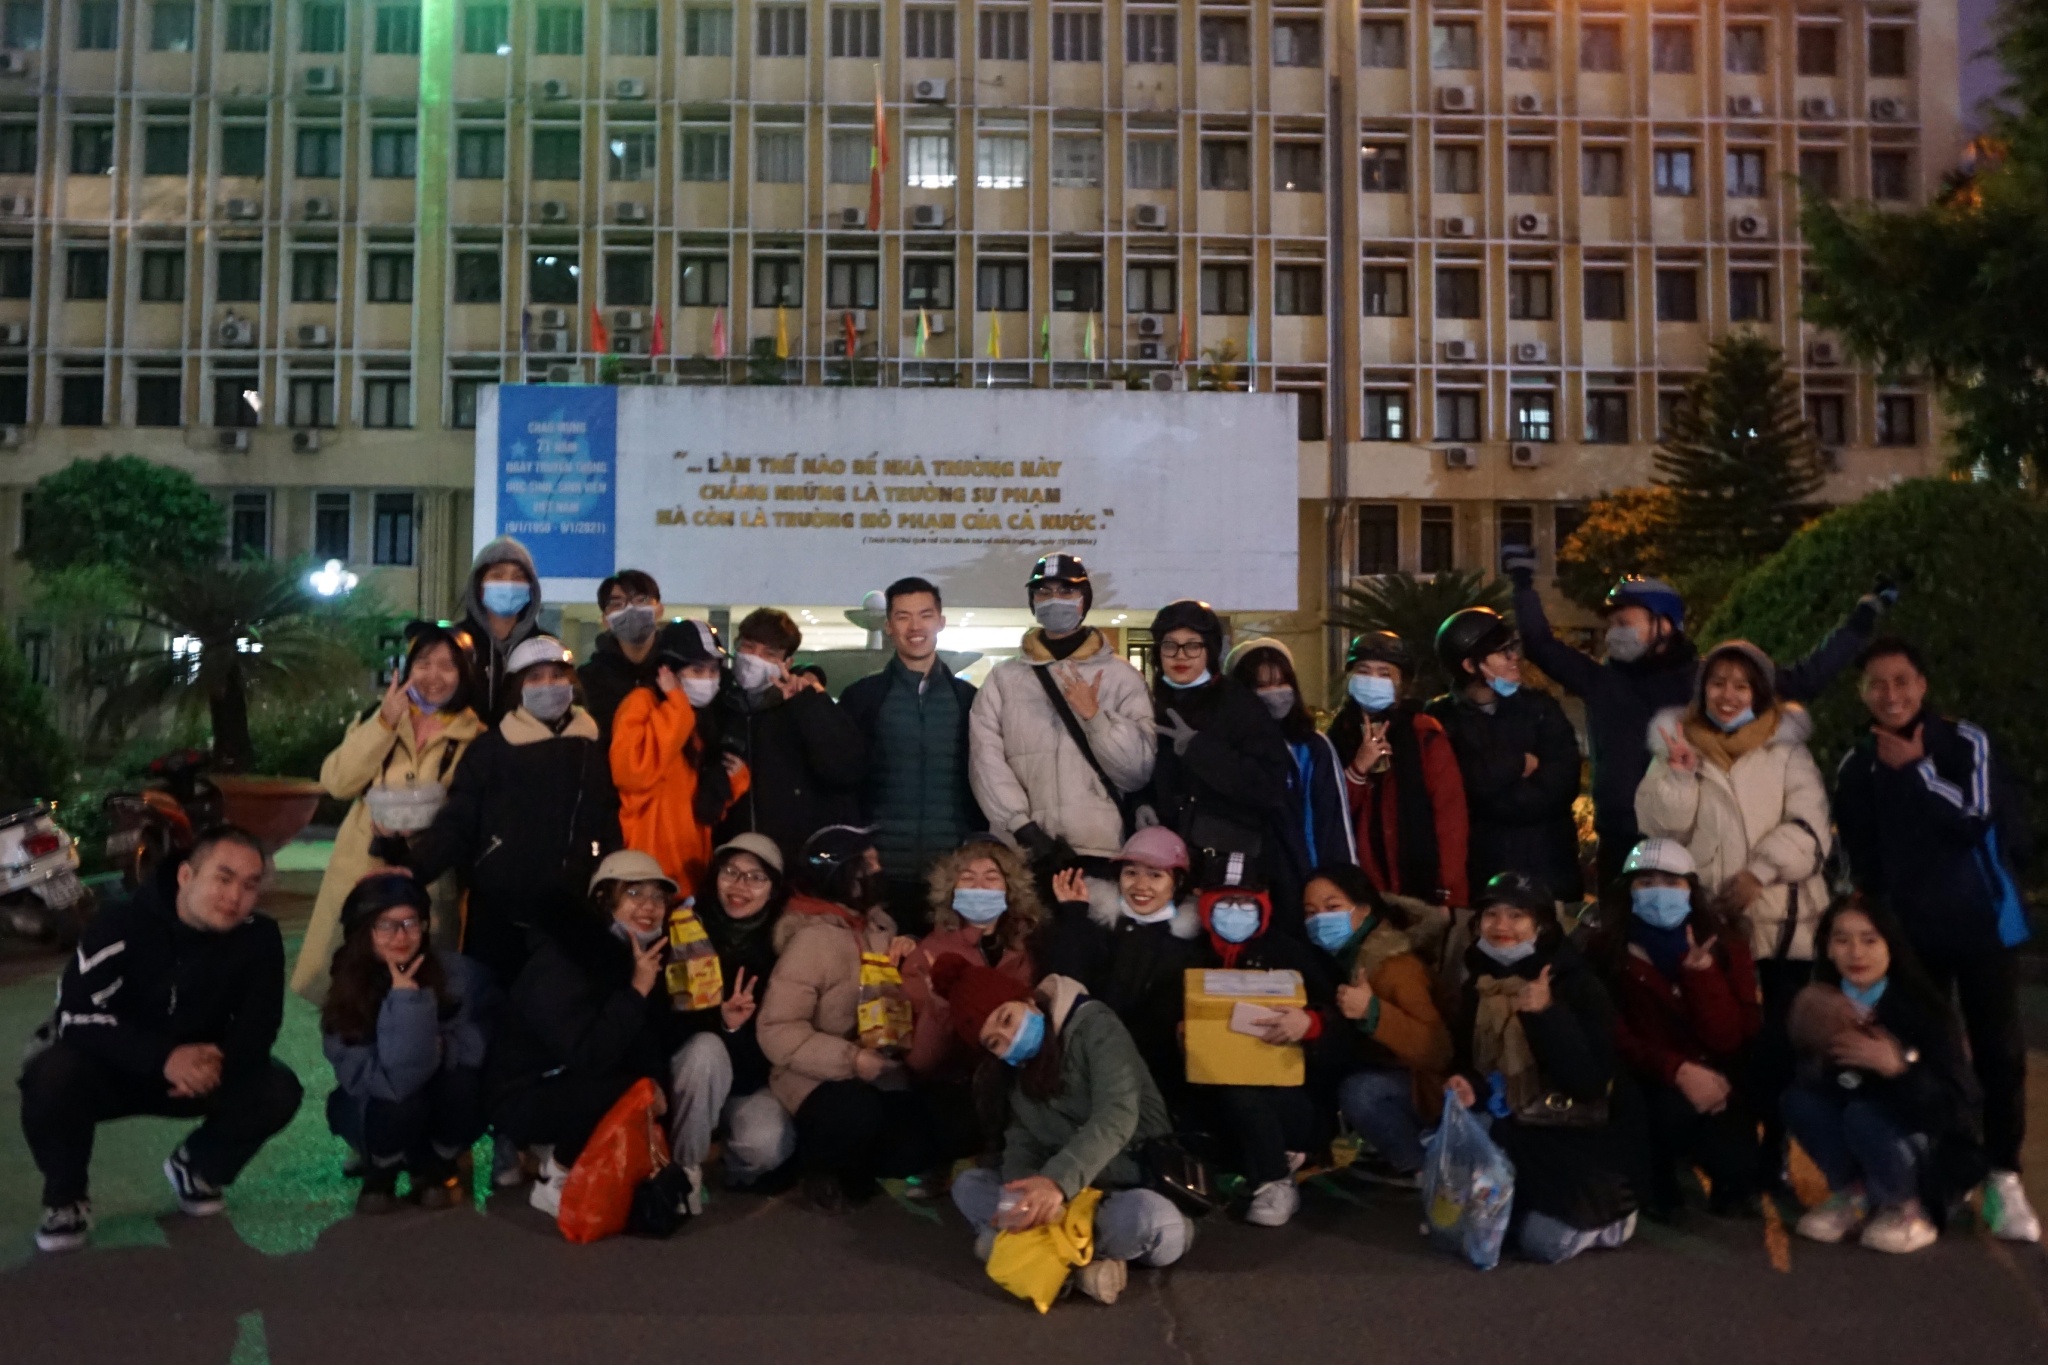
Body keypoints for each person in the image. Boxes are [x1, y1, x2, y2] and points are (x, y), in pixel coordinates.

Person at [1833, 637, 2038, 1241]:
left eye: (1902, 681)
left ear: (1922, 685)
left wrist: (1918, 771)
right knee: (1928, 1055)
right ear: (1862, 692)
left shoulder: (1963, 741)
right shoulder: (1856, 764)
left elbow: (1975, 815)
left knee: (1999, 1053)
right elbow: (1859, 856)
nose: (1890, 694)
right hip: (1908, 938)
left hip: (1982, 923)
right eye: (1877, 683)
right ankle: (1939, 1170)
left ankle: (2002, 1175)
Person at [1507, 563, 1886, 886]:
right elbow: (1541, 646)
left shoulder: (1707, 682)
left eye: (1625, 622)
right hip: (1619, 842)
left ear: (1665, 626)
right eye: (1612, 624)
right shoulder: (1601, 681)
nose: (1613, 633)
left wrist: (1860, 622)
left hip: (1692, 844)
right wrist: (1523, 585)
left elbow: (1803, 680)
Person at [20, 828, 303, 1253]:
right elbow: (76, 1016)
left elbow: (259, 1026)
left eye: (249, 885)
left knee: (277, 1088)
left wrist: (210, 1066)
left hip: (199, 1072)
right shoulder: (120, 924)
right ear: (187, 876)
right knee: (50, 1074)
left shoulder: (258, 937)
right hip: (112, 1067)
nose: (235, 897)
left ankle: (199, 1166)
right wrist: (164, 1057)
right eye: (223, 879)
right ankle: (66, 1198)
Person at [1636, 639, 1830, 1188]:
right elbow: (1659, 829)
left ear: (1760, 692)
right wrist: (1675, 775)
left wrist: (1759, 872)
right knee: (1718, 1040)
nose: (1728, 694)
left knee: (1779, 1051)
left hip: (1782, 928)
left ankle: (1777, 1153)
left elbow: (1811, 828)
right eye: (1718, 682)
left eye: (1741, 684)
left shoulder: (1788, 752)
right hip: (1710, 929)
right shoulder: (1678, 745)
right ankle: (1725, 1153)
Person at [936, 958, 1191, 1304]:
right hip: (1058, 1200)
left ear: (1028, 1002)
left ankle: (1030, 1258)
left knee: (1161, 1225)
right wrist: (1023, 1196)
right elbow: (1021, 1139)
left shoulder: (1095, 1026)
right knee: (969, 1187)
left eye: (1006, 1019)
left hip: (1123, 1182)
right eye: (994, 1042)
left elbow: (1117, 1115)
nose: (1008, 1039)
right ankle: (1081, 1271)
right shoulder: (1016, 1071)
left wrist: (1055, 1183)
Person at [385, 635, 621, 986]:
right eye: (535, 677)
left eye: (557, 676)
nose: (548, 685)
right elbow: (460, 822)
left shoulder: (593, 746)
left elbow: (607, 821)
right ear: (517, 688)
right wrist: (414, 869)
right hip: (499, 916)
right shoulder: (491, 749)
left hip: (573, 915)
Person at [1445, 872, 1638, 1264]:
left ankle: (1616, 1219)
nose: (1501, 927)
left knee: (1542, 1243)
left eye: (1517, 916)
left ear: (1543, 925)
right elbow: (1470, 1062)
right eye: (1491, 915)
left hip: (1569, 1137)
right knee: (1467, 1230)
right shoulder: (1480, 984)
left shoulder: (1578, 983)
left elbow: (1589, 1083)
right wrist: (1470, 1086)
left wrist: (1547, 1015)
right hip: (1511, 1127)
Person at [756, 825, 949, 1212]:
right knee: (854, 1112)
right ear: (844, 874)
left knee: (919, 1137)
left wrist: (909, 960)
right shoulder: (811, 940)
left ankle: (857, 1164)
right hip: (815, 1076)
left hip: (878, 1068)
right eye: (870, 863)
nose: (880, 870)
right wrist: (850, 1059)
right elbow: (777, 1031)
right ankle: (818, 1169)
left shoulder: (881, 930)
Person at [293, 622, 486, 1005]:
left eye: (448, 666)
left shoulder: (476, 736)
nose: (434, 676)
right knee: (352, 991)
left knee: (418, 990)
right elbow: (337, 782)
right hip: (361, 866)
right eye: (424, 662)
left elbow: (468, 813)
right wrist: (384, 723)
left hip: (425, 876)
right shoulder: (379, 716)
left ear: (464, 675)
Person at [1784, 897, 1984, 1254]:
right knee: (1801, 1102)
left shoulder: (1925, 1009)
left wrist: (1899, 1069)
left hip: (1927, 1150)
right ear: (1827, 948)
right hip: (1862, 1133)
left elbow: (1959, 1108)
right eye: (1842, 940)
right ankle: (1854, 1194)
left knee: (1866, 1113)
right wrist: (1814, 1052)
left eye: (1870, 939)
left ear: (1892, 945)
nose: (1856, 952)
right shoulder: (1820, 1004)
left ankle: (1907, 1206)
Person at [490, 850, 684, 1215]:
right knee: (629, 1089)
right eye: (634, 893)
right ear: (604, 900)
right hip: (525, 1093)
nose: (649, 906)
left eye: (658, 896)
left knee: (642, 1085)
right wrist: (637, 992)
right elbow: (589, 1053)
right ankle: (555, 1178)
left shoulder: (635, 954)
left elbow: (645, 1041)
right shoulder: (563, 962)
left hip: (570, 1081)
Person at [1598, 839, 1761, 1220]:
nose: (1658, 892)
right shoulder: (1608, 950)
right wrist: (1677, 1071)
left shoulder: (1725, 944)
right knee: (1662, 1112)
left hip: (1719, 1074)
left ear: (1691, 888)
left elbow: (1732, 1036)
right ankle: (1656, 1178)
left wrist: (1701, 977)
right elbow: (1615, 1036)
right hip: (1651, 1078)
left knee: (1736, 1166)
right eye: (1646, 882)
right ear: (1628, 891)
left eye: (1672, 883)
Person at [321, 873, 495, 1214]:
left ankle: (434, 1163)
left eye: (410, 923)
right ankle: (382, 1168)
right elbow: (393, 1082)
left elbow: (486, 1032)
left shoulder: (457, 974)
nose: (400, 936)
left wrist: (448, 1048)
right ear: (363, 931)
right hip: (380, 1110)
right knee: (404, 1101)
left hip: (439, 1105)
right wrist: (407, 1004)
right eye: (385, 925)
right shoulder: (348, 987)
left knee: (462, 1084)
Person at [969, 553, 1156, 869]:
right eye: (1044, 592)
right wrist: (1021, 826)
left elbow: (1137, 773)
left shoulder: (1122, 677)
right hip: (1025, 852)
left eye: (1066, 591)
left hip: (1100, 847)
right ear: (1033, 601)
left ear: (1084, 600)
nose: (1055, 600)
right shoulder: (1003, 679)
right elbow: (985, 759)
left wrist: (1095, 718)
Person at [1183, 879, 1337, 1228]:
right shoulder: (1189, 955)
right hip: (1207, 1095)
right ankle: (1254, 1165)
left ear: (1263, 908)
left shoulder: (1289, 952)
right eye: (1226, 902)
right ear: (1207, 907)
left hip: (1289, 1095)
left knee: (1240, 1090)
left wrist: (1312, 1022)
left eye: (1245, 903)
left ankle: (1275, 1179)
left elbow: (1337, 1018)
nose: (1235, 912)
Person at [840, 576, 984, 933]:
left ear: (941, 621)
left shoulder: (969, 700)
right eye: (903, 617)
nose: (915, 626)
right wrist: (859, 844)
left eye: (925, 615)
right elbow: (843, 779)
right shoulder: (862, 697)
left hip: (951, 871)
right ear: (889, 626)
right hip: (881, 868)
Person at [665, 833, 799, 1196]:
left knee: (768, 1145)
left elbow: (780, 1045)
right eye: (731, 872)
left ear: (773, 889)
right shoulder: (682, 926)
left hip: (747, 1080)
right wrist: (716, 1024)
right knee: (705, 1049)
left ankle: (724, 1156)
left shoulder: (785, 945)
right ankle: (683, 1171)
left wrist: (735, 1029)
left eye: (756, 877)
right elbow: (661, 1024)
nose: (740, 886)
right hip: (686, 1076)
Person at [1306, 865, 1453, 1188]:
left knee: (1361, 1092)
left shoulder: (1395, 966)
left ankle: (1423, 1171)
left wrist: (1373, 1012)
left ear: (1363, 909)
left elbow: (1438, 1050)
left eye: (1333, 908)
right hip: (1396, 1074)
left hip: (1435, 1087)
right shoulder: (1338, 959)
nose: (1320, 920)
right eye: (1310, 912)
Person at [1035, 826, 1203, 1102]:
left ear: (1177, 883)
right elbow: (1065, 985)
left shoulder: (1189, 949)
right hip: (1086, 1068)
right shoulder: (1094, 927)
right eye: (1131, 873)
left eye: (1155, 875)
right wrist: (1074, 916)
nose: (1141, 886)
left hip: (1153, 1082)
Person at [1426, 608, 1583, 902]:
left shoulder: (1539, 708)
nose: (1514, 658)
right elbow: (1463, 786)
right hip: (1481, 879)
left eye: (1512, 648)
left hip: (1550, 873)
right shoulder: (1441, 718)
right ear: (1470, 665)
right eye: (1502, 652)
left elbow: (1562, 783)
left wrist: (1496, 791)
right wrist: (1520, 763)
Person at [1144, 600, 1293, 899]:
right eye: (1170, 646)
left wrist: (1199, 749)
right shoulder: (1152, 701)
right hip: (1167, 856)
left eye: (1192, 646)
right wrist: (1141, 804)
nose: (1180, 656)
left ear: (1210, 650)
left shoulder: (1239, 704)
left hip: (1230, 859)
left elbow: (1269, 784)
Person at [713, 607, 869, 866]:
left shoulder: (803, 707)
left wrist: (809, 705)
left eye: (769, 654)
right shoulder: (719, 706)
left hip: (794, 860)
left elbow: (847, 767)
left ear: (787, 663)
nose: (754, 658)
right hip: (730, 856)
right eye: (749, 647)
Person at [611, 619, 749, 899]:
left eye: (713, 670)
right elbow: (632, 774)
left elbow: (701, 809)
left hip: (692, 873)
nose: (707, 679)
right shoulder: (642, 703)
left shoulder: (702, 720)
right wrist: (676, 703)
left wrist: (733, 783)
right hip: (646, 874)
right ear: (667, 670)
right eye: (697, 669)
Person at [1331, 631, 1468, 908]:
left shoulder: (1423, 734)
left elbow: (1450, 815)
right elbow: (1330, 813)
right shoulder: (1335, 737)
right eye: (1364, 671)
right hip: (1355, 889)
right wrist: (1358, 769)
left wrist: (1447, 887)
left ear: (1401, 683)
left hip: (1419, 891)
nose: (1373, 680)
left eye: (1384, 673)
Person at [900, 840, 1043, 1082]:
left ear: (1009, 889)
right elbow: (920, 1061)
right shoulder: (928, 955)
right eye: (967, 878)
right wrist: (939, 1005)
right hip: (957, 1087)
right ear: (951, 890)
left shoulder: (1030, 947)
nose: (980, 887)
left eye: (991, 877)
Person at [1225, 637, 1355, 902]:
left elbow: (1334, 822)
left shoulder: (1312, 746)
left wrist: (1340, 891)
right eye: (1261, 686)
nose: (1274, 693)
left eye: (1281, 683)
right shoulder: (1225, 747)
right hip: (1238, 891)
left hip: (1301, 886)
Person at [579, 570, 703, 742]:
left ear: (659, 610)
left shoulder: (679, 669)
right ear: (606, 619)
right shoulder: (588, 679)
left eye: (641, 600)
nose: (630, 609)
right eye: (617, 604)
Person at [452, 535, 544, 721]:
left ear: (530, 588)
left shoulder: (545, 649)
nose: (508, 584)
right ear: (479, 586)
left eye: (518, 577)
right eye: (497, 575)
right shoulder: (455, 644)